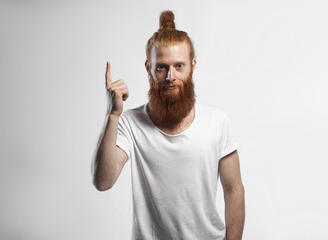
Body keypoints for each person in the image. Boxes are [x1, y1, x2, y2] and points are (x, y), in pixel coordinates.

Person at [92, 10, 245, 240]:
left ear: (192, 66)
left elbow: (233, 190)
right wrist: (112, 115)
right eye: (162, 67)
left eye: (179, 66)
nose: (170, 76)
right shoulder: (131, 124)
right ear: (148, 68)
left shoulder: (217, 121)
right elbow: (103, 182)